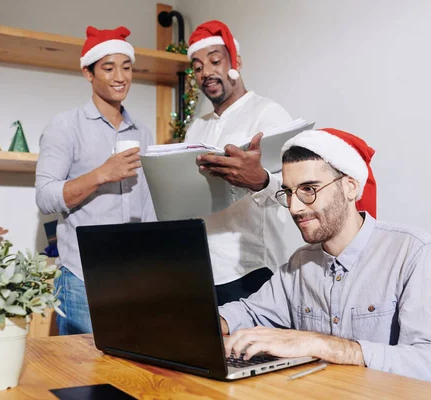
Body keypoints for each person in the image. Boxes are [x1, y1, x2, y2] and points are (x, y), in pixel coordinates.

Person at [219, 128, 431, 386]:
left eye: (309, 189)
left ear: (350, 187)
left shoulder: (413, 252)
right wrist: (202, 325)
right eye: (289, 192)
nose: (294, 207)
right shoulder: (300, 264)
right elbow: (249, 312)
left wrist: (320, 344)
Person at [35, 26, 156, 335]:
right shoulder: (64, 126)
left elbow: (149, 202)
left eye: (126, 67)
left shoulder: (142, 132)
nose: (120, 76)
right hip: (82, 276)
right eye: (108, 68)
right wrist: (102, 174)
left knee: (132, 371)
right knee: (80, 374)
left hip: (135, 274)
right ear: (88, 73)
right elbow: (45, 197)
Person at [184, 20, 295, 305]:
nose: (206, 72)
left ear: (236, 61)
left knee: (251, 350)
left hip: (251, 268)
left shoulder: (269, 115)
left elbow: (295, 191)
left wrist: (261, 180)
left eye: (215, 60)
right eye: (197, 67)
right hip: (202, 270)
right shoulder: (196, 127)